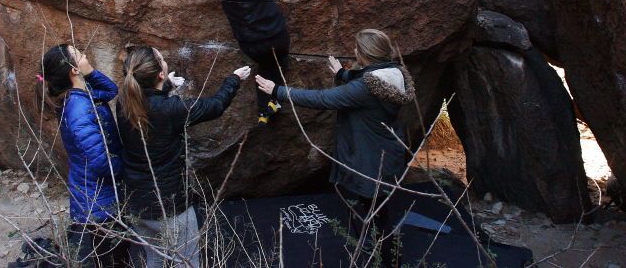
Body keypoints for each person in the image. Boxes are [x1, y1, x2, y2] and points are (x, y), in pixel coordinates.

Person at [256, 29, 415, 266]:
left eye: (356, 48)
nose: (353, 50)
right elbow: (371, 85)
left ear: (364, 54)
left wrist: (278, 91)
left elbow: (324, 99)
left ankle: (388, 261)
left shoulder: (364, 87)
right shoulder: (395, 72)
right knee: (377, 212)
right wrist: (343, 73)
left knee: (374, 217)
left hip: (369, 160)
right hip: (386, 152)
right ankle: (386, 257)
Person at [116, 45, 250, 267]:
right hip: (169, 205)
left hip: (136, 202)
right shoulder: (171, 109)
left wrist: (165, 86)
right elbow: (215, 106)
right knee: (186, 262)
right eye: (161, 57)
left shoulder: (123, 103)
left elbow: (150, 106)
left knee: (155, 260)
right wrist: (234, 79)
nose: (164, 58)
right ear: (159, 73)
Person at [38, 44, 123, 268]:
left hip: (97, 193)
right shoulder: (79, 110)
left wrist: (91, 72)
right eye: (80, 55)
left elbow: (111, 91)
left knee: (113, 255)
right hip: (98, 199)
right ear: (73, 70)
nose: (85, 55)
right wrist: (132, 167)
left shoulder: (82, 96)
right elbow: (101, 164)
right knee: (112, 259)